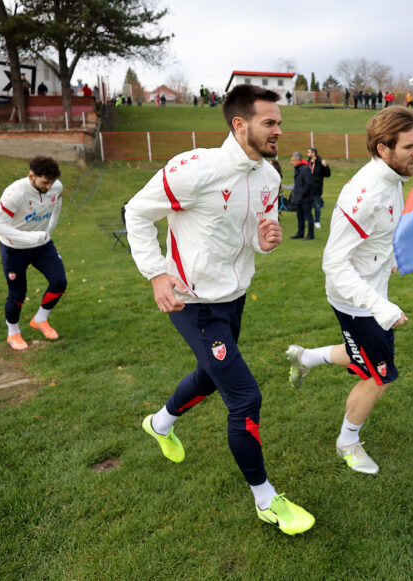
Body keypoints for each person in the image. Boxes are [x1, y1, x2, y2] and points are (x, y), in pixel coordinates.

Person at [123, 84, 314, 536]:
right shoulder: (195, 168)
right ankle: (266, 499)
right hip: (192, 301)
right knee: (245, 397)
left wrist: (263, 242)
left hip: (233, 299)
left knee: (211, 374)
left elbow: (252, 236)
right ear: (239, 124)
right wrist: (155, 272)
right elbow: (136, 212)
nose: (278, 131)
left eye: (279, 122)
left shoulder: (269, 177)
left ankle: (159, 423)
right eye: (269, 122)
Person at [284, 106, 413, 474]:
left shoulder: (391, 180)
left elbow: (379, 237)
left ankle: (306, 357)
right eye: (408, 147)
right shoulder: (367, 192)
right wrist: (380, 306)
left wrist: (389, 260)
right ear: (383, 148)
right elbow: (334, 262)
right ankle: (348, 442)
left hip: (369, 294)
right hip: (356, 300)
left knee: (363, 356)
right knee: (378, 377)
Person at [0, 156, 66, 351]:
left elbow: (56, 205)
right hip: (13, 248)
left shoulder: (56, 187)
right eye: (44, 182)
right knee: (17, 293)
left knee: (59, 282)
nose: (49, 187)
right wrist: (31, 238)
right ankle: (13, 332)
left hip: (42, 245)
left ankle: (40, 320)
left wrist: (49, 230)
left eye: (52, 182)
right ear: (31, 176)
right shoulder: (15, 193)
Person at [288, 152, 314, 240]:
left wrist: (302, 194)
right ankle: (300, 233)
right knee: (299, 216)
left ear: (298, 160)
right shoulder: (298, 168)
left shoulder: (305, 169)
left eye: (293, 160)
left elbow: (309, 183)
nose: (291, 162)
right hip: (298, 198)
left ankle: (311, 235)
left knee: (308, 216)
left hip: (305, 198)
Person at [307, 147, 331, 229]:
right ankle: (309, 221)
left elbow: (327, 174)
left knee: (317, 206)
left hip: (317, 188)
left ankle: (317, 222)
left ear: (314, 153)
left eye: (309, 152)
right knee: (307, 206)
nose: (307, 153)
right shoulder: (307, 163)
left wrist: (325, 166)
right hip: (308, 189)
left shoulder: (320, 163)